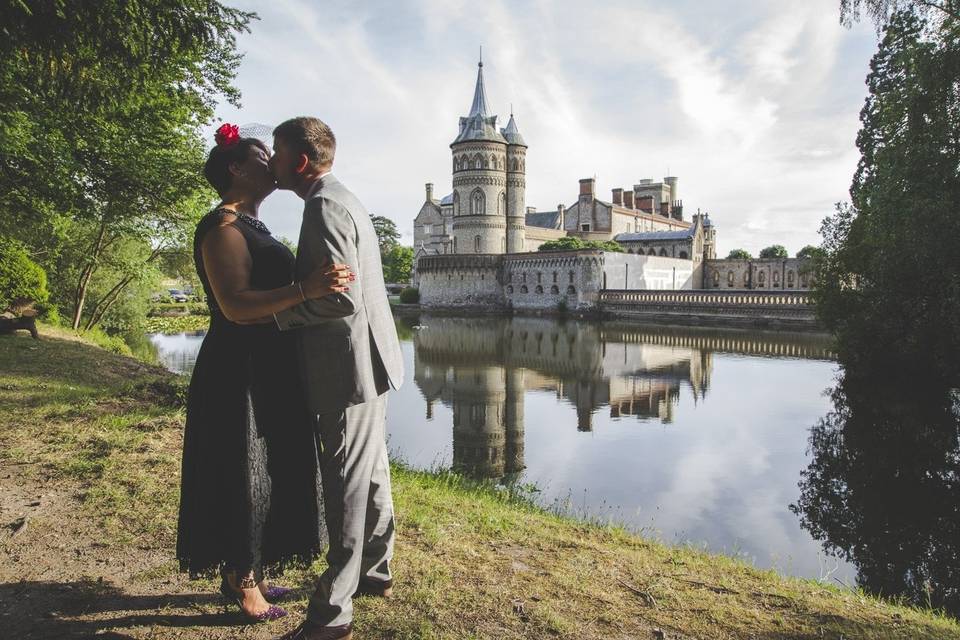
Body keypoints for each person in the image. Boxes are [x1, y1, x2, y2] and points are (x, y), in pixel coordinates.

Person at [176, 123, 354, 624]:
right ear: (236, 168)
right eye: (262, 155)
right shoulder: (222, 228)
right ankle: (241, 581)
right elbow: (234, 306)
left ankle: (249, 565)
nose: (272, 162)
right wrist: (307, 289)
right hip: (238, 368)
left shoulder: (254, 226)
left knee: (272, 469)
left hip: (269, 365)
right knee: (242, 471)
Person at [267, 117, 404, 640]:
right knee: (370, 477)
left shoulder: (322, 205)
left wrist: (278, 315)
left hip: (346, 368)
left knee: (346, 485)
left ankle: (332, 615)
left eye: (278, 153)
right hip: (372, 362)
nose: (273, 162)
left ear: (300, 160)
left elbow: (337, 297)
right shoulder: (344, 196)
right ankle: (375, 571)